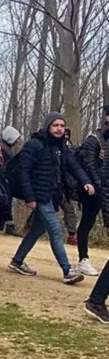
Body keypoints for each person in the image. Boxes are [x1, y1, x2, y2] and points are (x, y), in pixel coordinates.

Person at [7, 112, 92, 285]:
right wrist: (29, 196)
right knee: (55, 229)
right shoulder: (34, 144)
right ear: (48, 126)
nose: (59, 129)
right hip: (40, 195)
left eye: (62, 126)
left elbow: (74, 167)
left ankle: (17, 260)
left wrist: (86, 182)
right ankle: (67, 271)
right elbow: (24, 171)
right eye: (56, 125)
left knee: (37, 230)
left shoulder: (62, 147)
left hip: (53, 195)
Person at [73, 110, 109, 276]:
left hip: (105, 189)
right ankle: (83, 259)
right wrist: (98, 184)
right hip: (92, 189)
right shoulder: (93, 140)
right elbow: (89, 164)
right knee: (87, 223)